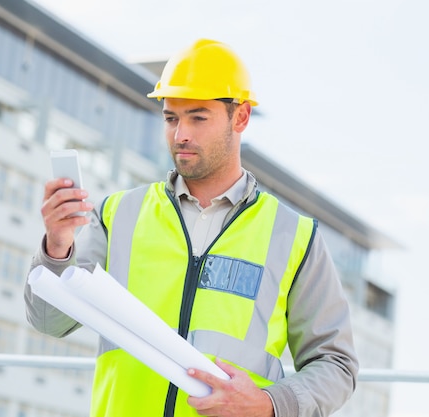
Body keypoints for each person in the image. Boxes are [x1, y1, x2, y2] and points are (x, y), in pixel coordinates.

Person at [25, 38, 358, 417]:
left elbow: (336, 365)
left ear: (241, 118)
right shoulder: (119, 214)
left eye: (198, 118)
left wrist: (269, 403)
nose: (180, 134)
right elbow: (49, 321)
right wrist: (57, 246)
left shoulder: (293, 236)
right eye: (171, 118)